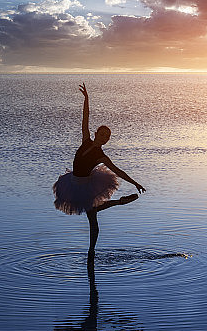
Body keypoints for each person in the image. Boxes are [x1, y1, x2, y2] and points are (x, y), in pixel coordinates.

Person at [53, 83, 146, 254]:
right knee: (92, 213)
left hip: (85, 186)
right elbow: (85, 118)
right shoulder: (86, 140)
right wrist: (87, 99)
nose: (104, 138)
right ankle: (118, 203)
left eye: (107, 137)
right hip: (72, 183)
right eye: (102, 134)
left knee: (93, 219)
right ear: (96, 134)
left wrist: (135, 183)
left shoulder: (101, 156)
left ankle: (91, 251)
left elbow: (118, 171)